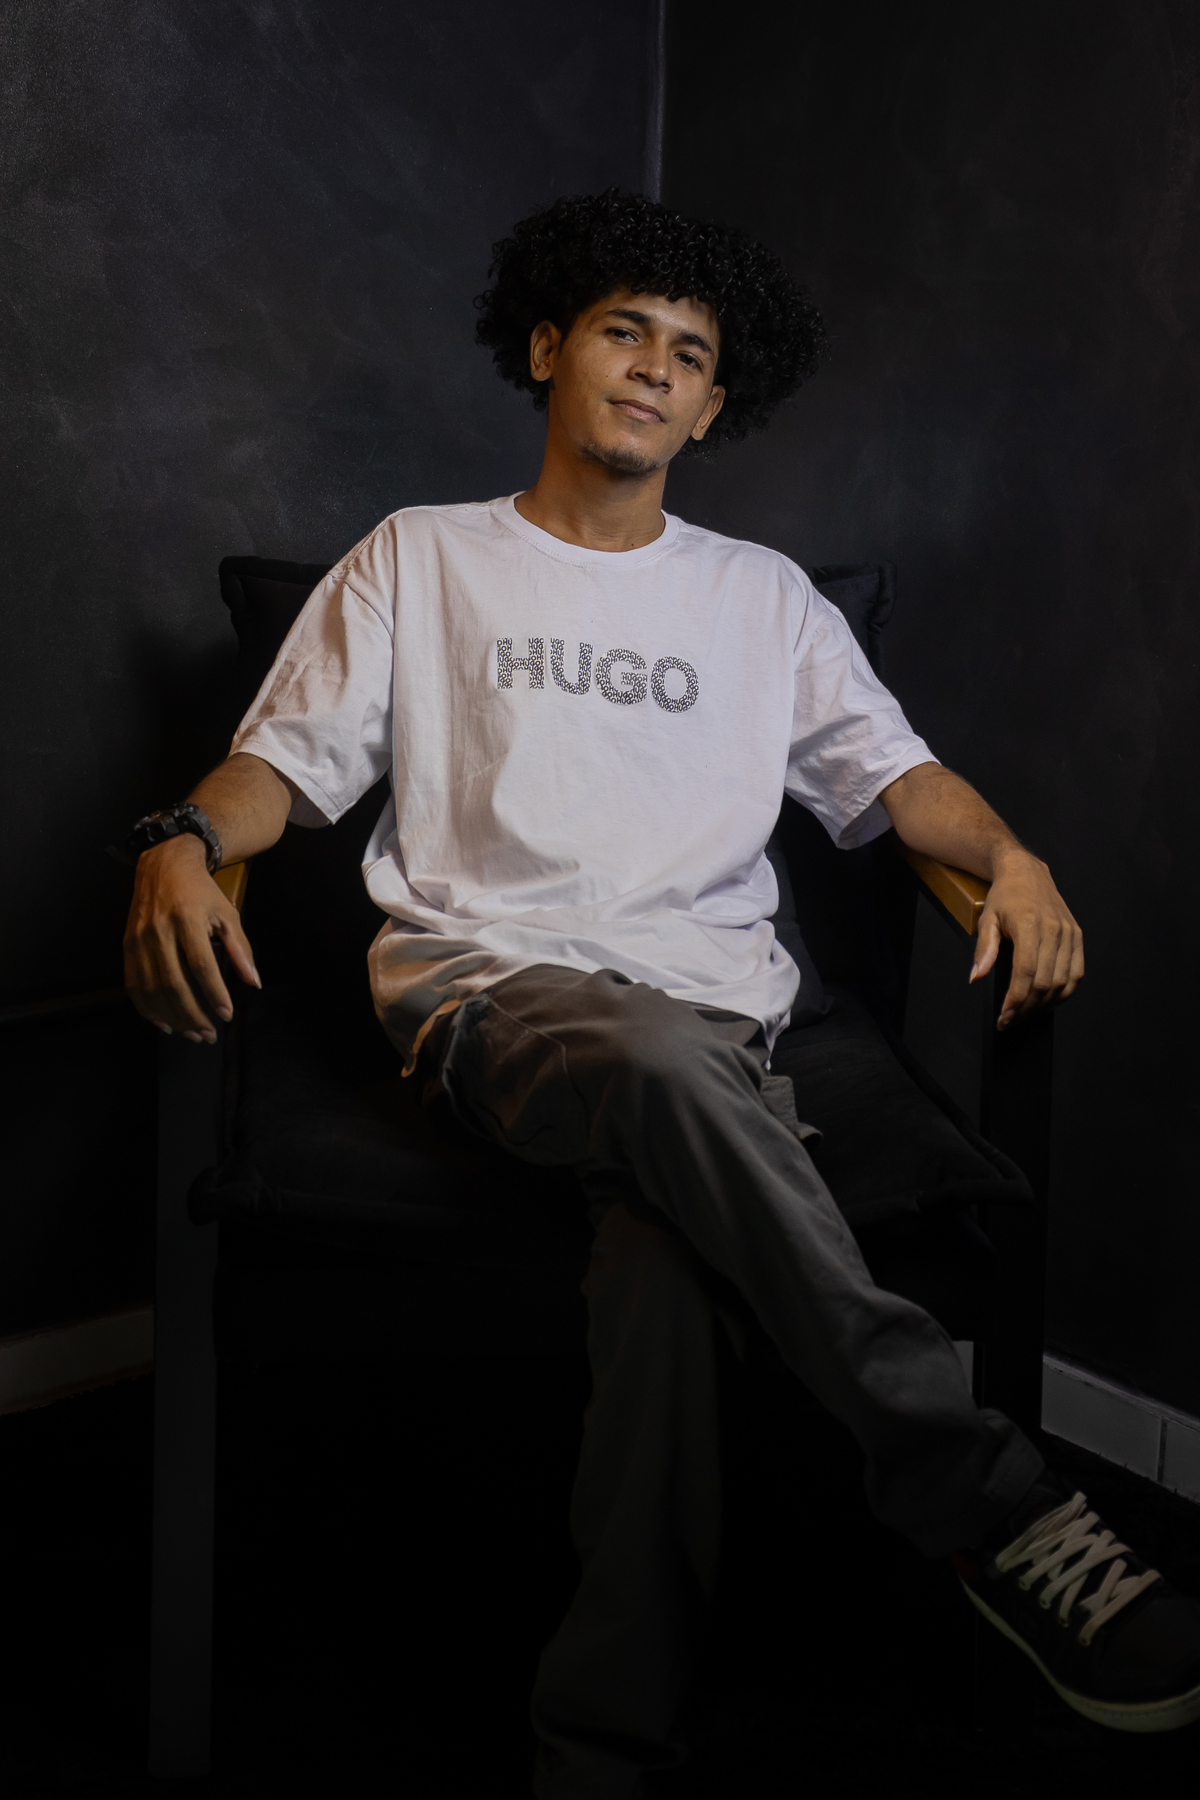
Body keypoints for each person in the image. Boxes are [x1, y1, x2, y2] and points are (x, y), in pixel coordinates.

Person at [121, 190, 1200, 1794]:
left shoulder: (763, 598)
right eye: (624, 332)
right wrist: (183, 838)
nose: (653, 369)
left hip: (711, 1033)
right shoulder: (422, 557)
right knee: (652, 1054)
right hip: (494, 998)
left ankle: (598, 1747)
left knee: (667, 1258)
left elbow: (900, 782)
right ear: (547, 347)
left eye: (689, 355)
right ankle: (983, 1496)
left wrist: (1015, 858)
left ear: (712, 404)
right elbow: (278, 765)